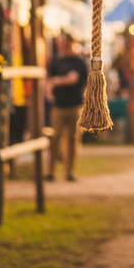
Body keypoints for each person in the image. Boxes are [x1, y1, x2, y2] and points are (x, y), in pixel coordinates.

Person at [45, 32, 88, 182]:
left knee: (72, 140)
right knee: (54, 139)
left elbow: (77, 80)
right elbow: (49, 81)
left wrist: (58, 81)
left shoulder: (79, 62)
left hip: (75, 105)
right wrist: (52, 89)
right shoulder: (56, 62)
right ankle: (50, 171)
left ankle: (69, 171)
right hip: (59, 105)